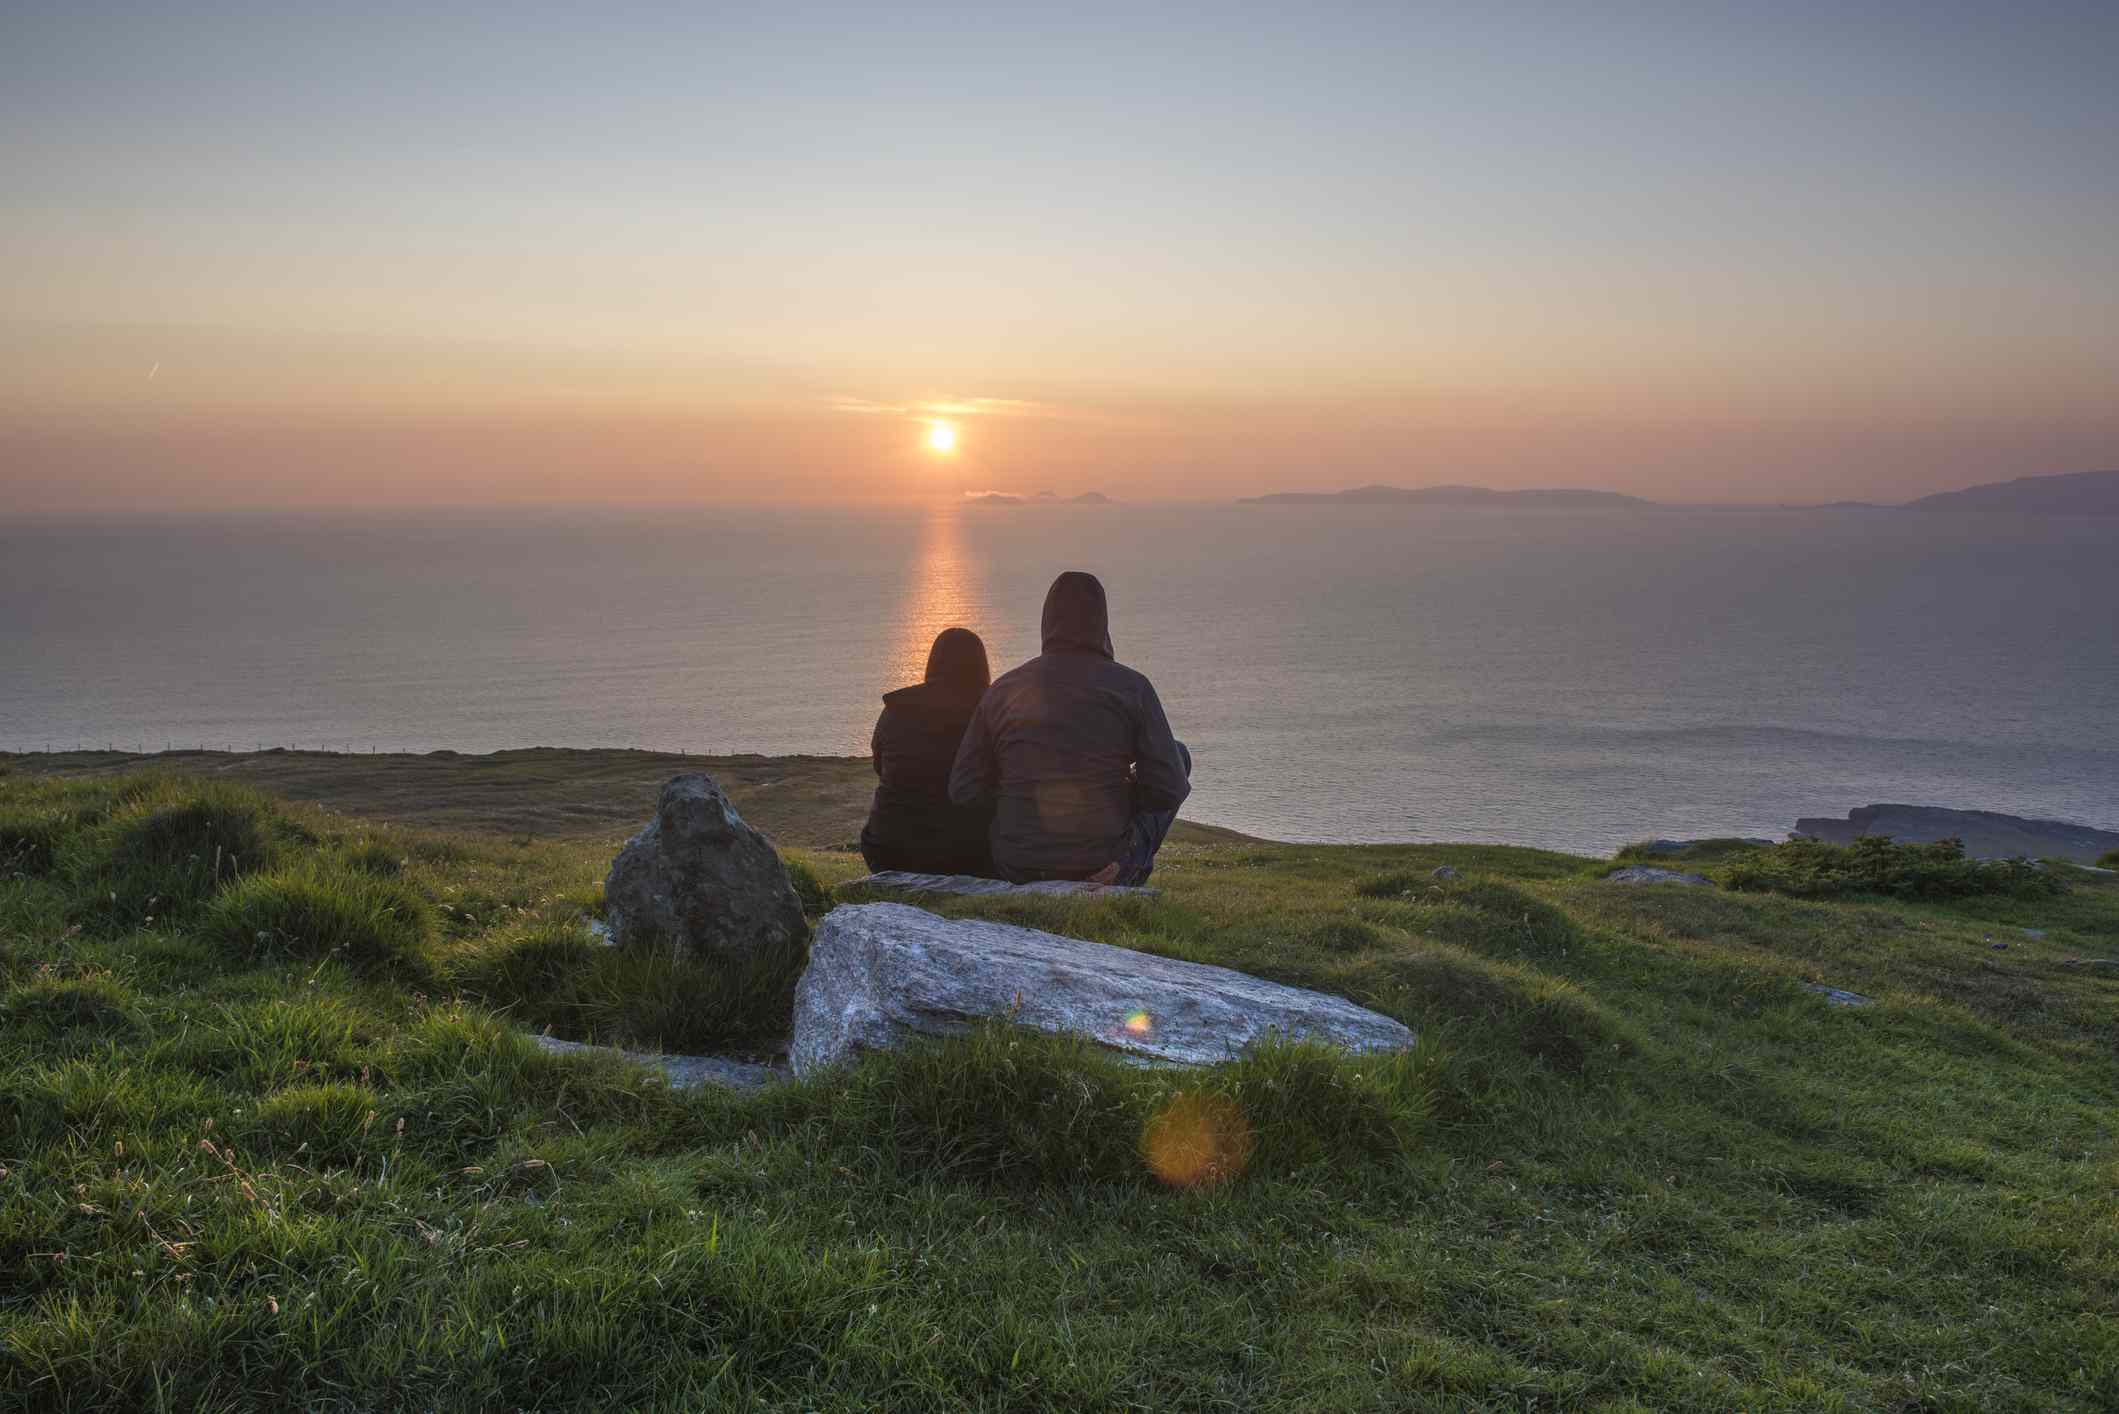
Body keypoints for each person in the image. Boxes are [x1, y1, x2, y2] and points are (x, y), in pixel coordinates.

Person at [948, 571, 1191, 885]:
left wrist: (1018, 794)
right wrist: (1121, 793)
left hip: (1017, 866)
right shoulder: (1132, 688)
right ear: (1102, 623)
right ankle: (1123, 866)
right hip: (1100, 864)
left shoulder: (1003, 690)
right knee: (1178, 756)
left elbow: (964, 790)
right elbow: (1168, 788)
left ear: (1047, 622)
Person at [859, 627, 997, 876]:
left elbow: (880, 768)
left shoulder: (895, 709)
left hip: (888, 852)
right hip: (970, 855)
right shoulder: (992, 711)